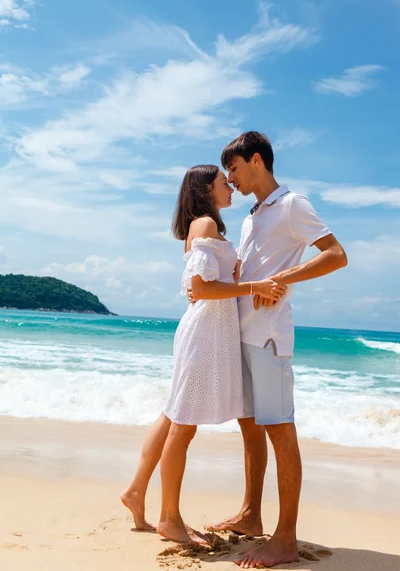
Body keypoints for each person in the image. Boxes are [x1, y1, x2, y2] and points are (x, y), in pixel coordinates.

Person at [200, 131, 348, 569]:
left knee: (280, 429)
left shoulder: (292, 205)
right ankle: (250, 515)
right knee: (250, 427)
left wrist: (284, 281)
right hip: (240, 332)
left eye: (235, 169)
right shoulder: (250, 215)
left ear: (257, 161)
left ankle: (285, 539)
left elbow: (336, 255)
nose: (231, 178)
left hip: (269, 337)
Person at [121, 164, 287, 545]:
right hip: (205, 334)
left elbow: (211, 284)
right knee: (183, 423)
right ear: (206, 190)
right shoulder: (205, 225)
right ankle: (169, 519)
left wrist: (242, 276)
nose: (229, 186)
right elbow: (202, 288)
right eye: (222, 182)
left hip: (209, 331)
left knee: (173, 414)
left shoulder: (206, 228)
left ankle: (135, 491)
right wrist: (252, 286)